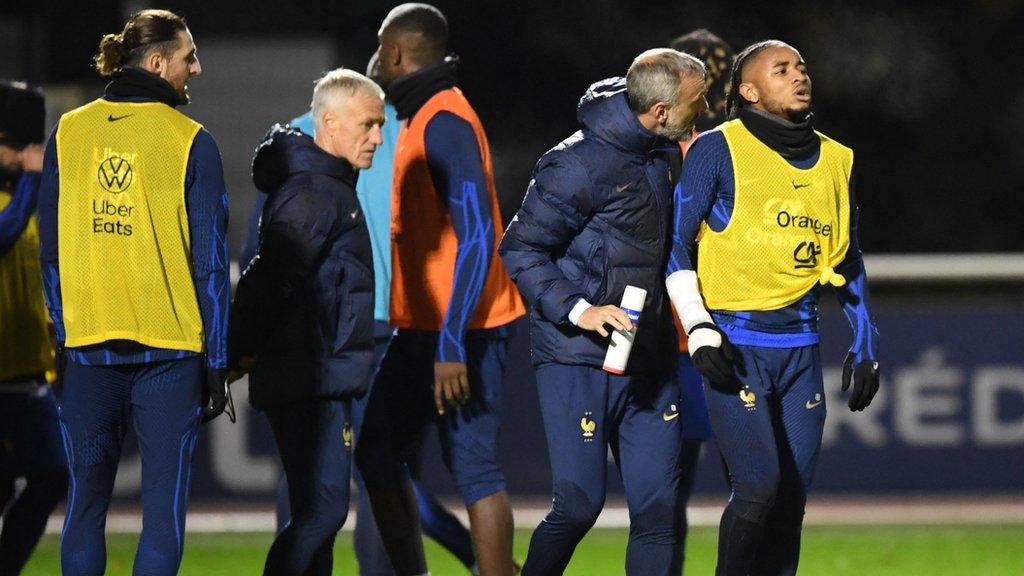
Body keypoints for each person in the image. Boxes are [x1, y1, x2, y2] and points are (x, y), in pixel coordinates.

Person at [254, 54, 481, 576]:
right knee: (381, 473)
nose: (375, 134)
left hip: (333, 335)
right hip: (393, 328)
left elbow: (265, 256)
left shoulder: (297, 141)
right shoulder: (410, 131)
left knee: (312, 481)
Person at [664, 40, 880, 576]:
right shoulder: (718, 149)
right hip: (735, 348)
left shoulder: (837, 159)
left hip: (802, 351)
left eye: (802, 67)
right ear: (749, 90)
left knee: (790, 507)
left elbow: (846, 260)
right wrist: (698, 328)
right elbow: (674, 247)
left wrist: (865, 343)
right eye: (781, 70)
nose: (799, 76)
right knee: (758, 489)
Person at [499, 49, 708, 575]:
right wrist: (579, 310)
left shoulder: (666, 153)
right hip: (577, 358)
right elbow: (520, 248)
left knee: (658, 512)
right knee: (577, 506)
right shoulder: (574, 162)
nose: (702, 112)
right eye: (695, 102)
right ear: (660, 111)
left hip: (651, 356)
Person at [37, 10, 230, 575]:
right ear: (157, 63)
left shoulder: (68, 132)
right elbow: (211, 267)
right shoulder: (192, 142)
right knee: (162, 518)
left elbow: (51, 251)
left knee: (84, 510)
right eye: (188, 57)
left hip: (89, 352)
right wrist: (215, 362)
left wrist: (63, 332)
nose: (196, 67)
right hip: (168, 358)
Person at [354, 4, 526, 576]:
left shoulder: (443, 120)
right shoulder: (422, 113)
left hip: (465, 329)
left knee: (474, 468)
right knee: (377, 450)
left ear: (397, 53)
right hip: (426, 328)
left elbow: (479, 237)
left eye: (381, 47)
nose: (375, 57)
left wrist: (452, 345)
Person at [227, 68, 385, 575]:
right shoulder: (315, 191)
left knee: (316, 515)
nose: (377, 138)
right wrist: (239, 350)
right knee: (324, 511)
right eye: (368, 125)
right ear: (330, 123)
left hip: (315, 371)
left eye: (380, 125)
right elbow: (271, 276)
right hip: (309, 375)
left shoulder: (323, 185)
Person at [666, 27, 735, 576]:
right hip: (730, 324)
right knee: (753, 479)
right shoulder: (742, 147)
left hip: (678, 329)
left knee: (668, 485)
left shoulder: (659, 145)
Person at [0, 80, 69, 576]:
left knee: (53, 477)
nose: (25, 156)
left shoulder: (26, 200)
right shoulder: (18, 198)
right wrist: (31, 179)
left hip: (30, 376)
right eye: (16, 147)